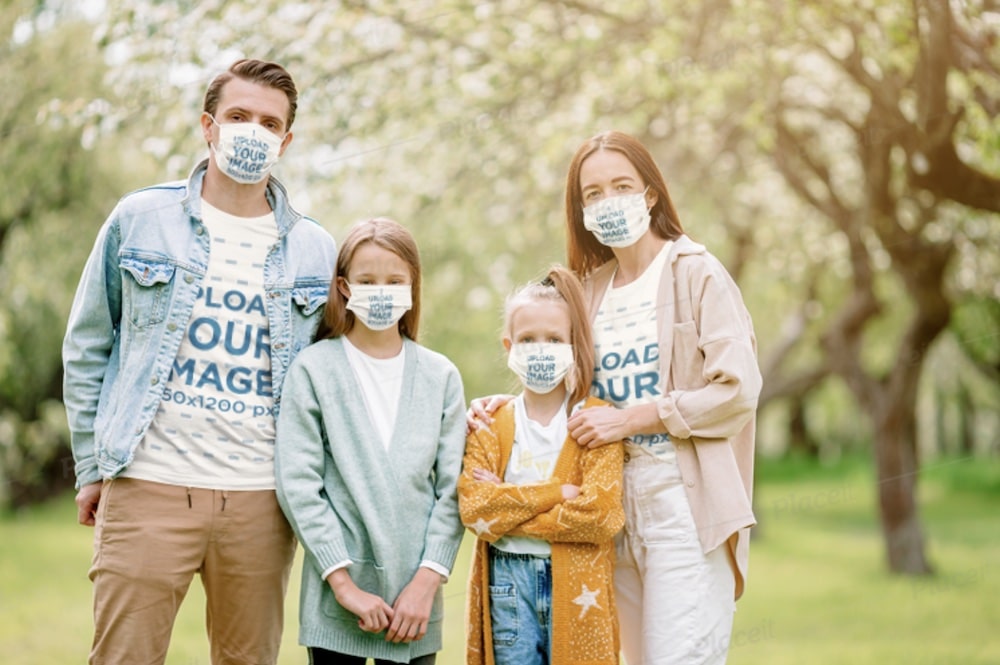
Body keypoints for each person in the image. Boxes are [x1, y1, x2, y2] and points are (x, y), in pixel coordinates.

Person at [62, 59, 337, 665]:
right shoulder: (140, 219)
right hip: (148, 483)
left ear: (286, 142)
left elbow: (334, 378)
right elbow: (87, 345)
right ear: (208, 126)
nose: (253, 132)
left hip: (261, 499)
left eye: (269, 123)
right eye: (239, 117)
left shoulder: (316, 249)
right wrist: (91, 463)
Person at [470, 130, 762, 664]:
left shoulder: (697, 273)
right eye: (594, 193)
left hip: (684, 506)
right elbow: (555, 373)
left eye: (621, 186)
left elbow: (736, 392)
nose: (608, 202)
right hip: (607, 511)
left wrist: (633, 419)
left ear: (650, 194)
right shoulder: (588, 291)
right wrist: (501, 406)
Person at [274, 217, 467, 665]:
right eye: (367, 280)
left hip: (414, 609)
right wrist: (343, 584)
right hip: (337, 604)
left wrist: (426, 583)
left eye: (394, 280)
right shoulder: (313, 370)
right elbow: (299, 484)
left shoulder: (441, 376)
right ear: (344, 287)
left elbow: (453, 488)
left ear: (413, 285)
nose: (381, 291)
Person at [459, 265, 625, 665]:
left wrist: (507, 508)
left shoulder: (597, 422)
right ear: (508, 346)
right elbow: (475, 508)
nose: (540, 348)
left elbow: (600, 517)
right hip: (508, 583)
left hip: (578, 583)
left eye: (553, 339)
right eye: (528, 339)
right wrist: (556, 493)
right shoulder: (489, 424)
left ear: (574, 345)